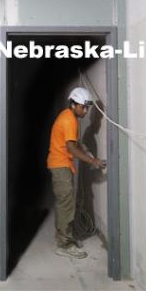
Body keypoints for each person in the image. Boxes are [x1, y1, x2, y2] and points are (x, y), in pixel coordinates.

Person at [47, 87, 107, 259]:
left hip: (62, 165)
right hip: (60, 166)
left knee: (65, 203)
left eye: (88, 107)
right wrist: (93, 161)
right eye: (83, 107)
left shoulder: (69, 117)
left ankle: (65, 238)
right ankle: (63, 244)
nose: (86, 111)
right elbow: (71, 148)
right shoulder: (69, 120)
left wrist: (86, 150)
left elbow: (74, 141)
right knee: (66, 204)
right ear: (73, 104)